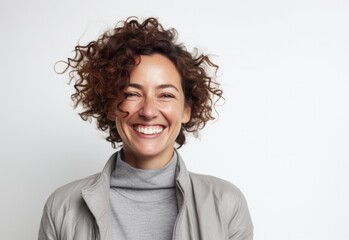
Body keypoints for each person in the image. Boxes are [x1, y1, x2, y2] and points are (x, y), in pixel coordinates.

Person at [39, 17, 253, 240]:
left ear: (186, 110)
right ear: (111, 105)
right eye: (132, 94)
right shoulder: (62, 207)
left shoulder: (226, 203)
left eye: (166, 95)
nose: (149, 111)